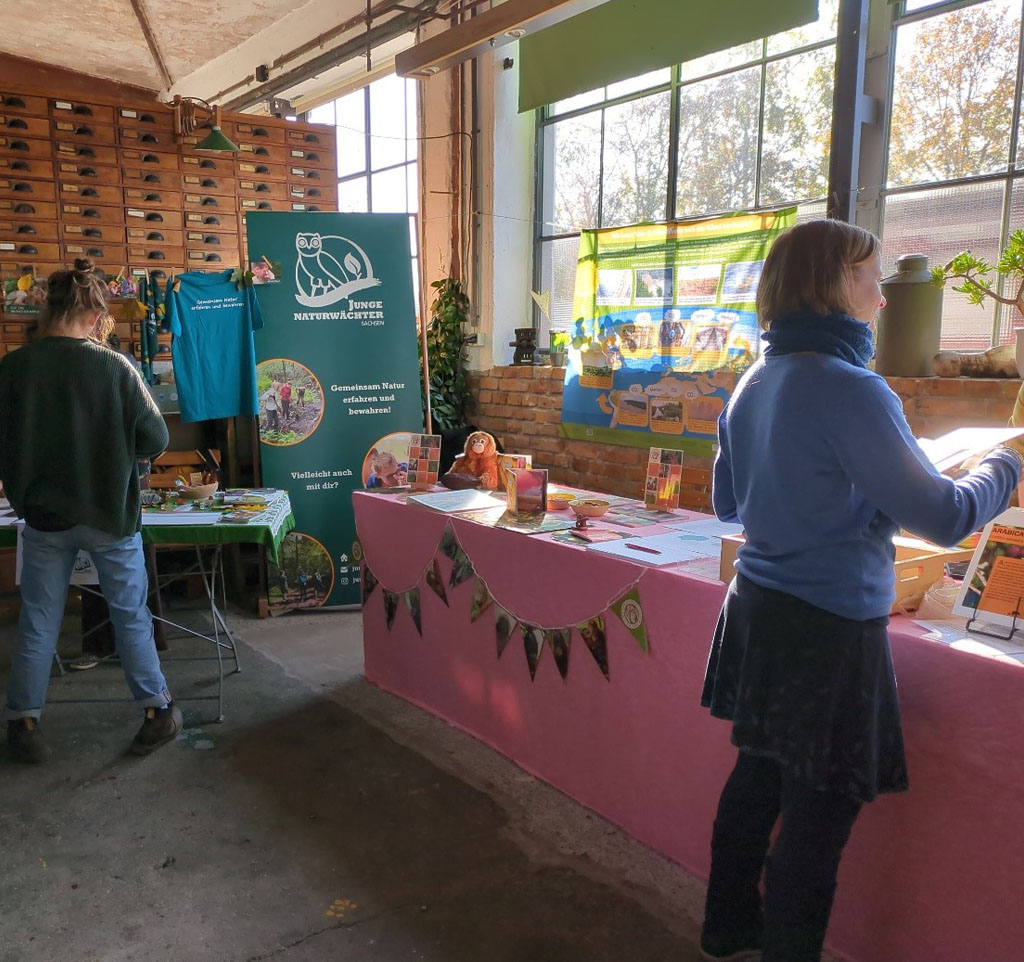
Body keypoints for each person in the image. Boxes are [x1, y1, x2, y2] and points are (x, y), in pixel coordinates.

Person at [700, 219, 1021, 962]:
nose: (880, 300)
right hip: (826, 631)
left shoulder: (757, 377)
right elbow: (943, 516)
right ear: (835, 284)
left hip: (756, 613)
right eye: (871, 279)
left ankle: (726, 930)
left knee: (758, 780)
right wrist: (1003, 468)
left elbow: (728, 503)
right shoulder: (849, 387)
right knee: (820, 811)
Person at [0, 258, 180, 763]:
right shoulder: (113, 366)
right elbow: (156, 437)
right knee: (129, 614)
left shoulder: (15, 366)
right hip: (107, 515)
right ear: (97, 313)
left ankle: (24, 723)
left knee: (38, 617)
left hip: (41, 516)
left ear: (48, 309)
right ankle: (156, 712)